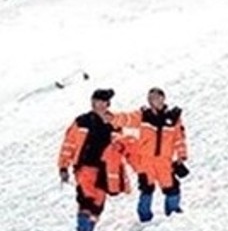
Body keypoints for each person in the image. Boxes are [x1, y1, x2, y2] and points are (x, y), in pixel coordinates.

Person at [58, 88, 135, 231]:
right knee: (86, 199)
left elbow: (122, 147)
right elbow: (68, 144)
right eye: (94, 101)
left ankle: (88, 227)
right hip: (85, 167)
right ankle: (83, 228)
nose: (96, 105)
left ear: (107, 104)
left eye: (100, 102)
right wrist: (63, 166)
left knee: (98, 204)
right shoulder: (82, 121)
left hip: (105, 171)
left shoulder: (115, 123)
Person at [109, 87, 188, 222]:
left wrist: (181, 155)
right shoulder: (143, 115)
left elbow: (179, 138)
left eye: (155, 97)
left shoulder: (173, 118)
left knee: (172, 188)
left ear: (163, 98)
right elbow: (127, 118)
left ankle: (173, 215)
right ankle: (145, 219)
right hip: (145, 160)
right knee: (146, 188)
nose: (152, 101)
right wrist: (112, 117)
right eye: (150, 98)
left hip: (164, 161)